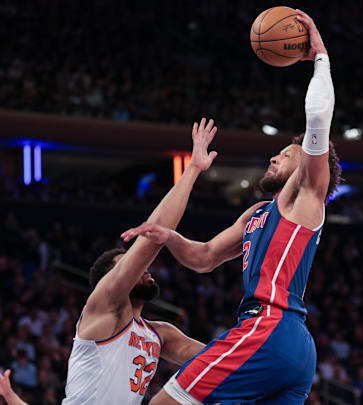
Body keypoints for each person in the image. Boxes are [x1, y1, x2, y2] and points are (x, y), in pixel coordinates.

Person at [122, 10, 341, 404]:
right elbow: (204, 257)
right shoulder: (258, 214)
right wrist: (168, 236)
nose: (275, 157)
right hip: (291, 349)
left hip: (270, 328)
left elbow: (318, 115)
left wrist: (320, 56)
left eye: (286, 154)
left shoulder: (305, 195)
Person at [41, 118, 213, 404]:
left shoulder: (160, 334)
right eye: (127, 264)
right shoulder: (104, 305)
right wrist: (193, 169)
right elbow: (150, 240)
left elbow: (219, 360)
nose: (142, 268)